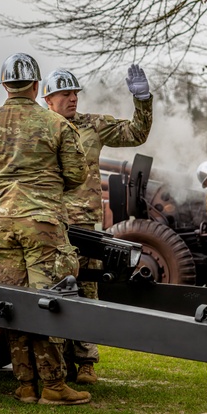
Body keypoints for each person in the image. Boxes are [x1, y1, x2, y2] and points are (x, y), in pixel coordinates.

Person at [0, 52, 90, 405]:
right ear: (37, 87)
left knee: (12, 303)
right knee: (48, 302)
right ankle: (53, 385)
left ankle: (25, 385)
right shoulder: (56, 125)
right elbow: (77, 174)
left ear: (5, 85)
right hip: (42, 225)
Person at [40, 65, 153, 385]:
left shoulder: (92, 125)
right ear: (48, 99)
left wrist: (142, 99)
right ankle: (55, 363)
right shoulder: (37, 128)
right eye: (65, 94)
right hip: (48, 220)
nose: (72, 98)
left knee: (86, 288)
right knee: (52, 288)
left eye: (75, 93)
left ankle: (86, 361)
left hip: (85, 223)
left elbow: (136, 133)